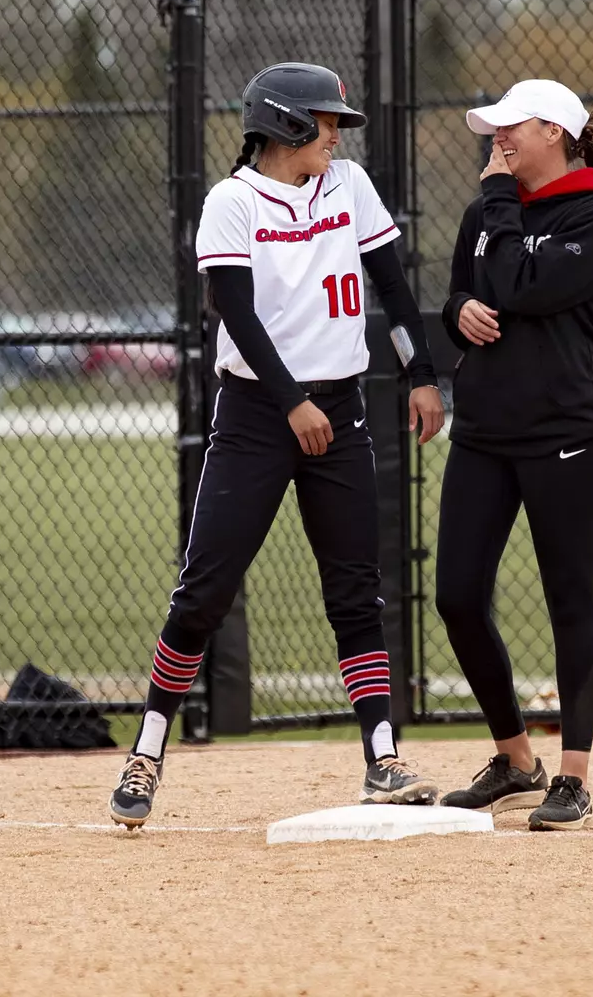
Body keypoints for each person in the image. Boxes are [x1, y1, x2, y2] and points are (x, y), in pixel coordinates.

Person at [109, 62, 445, 828]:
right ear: (286, 125)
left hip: (342, 408)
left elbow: (392, 287)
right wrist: (291, 401)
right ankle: (146, 753)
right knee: (203, 593)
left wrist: (421, 372)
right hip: (258, 415)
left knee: (357, 593)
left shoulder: (349, 186)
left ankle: (382, 759)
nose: (335, 135)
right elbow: (236, 311)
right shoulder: (231, 202)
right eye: (324, 122)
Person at [435, 79, 593, 830]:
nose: (497, 142)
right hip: (484, 431)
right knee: (456, 596)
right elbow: (459, 298)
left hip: (564, 434)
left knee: (568, 598)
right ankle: (517, 759)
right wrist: (461, 313)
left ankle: (572, 778)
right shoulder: (487, 210)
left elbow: (522, 281)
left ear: (554, 130)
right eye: (493, 132)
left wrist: (500, 213)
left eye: (510, 129)